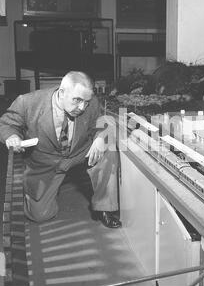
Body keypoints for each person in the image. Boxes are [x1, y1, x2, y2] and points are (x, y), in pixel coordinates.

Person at [0, 71, 121, 228]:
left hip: (78, 154)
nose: (82, 107)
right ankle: (46, 191)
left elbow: (103, 121)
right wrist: (12, 137)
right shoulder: (27, 102)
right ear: (62, 92)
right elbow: (6, 124)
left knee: (108, 146)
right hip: (46, 162)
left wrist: (99, 137)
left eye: (86, 102)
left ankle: (105, 208)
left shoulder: (90, 103)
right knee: (40, 215)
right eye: (77, 100)